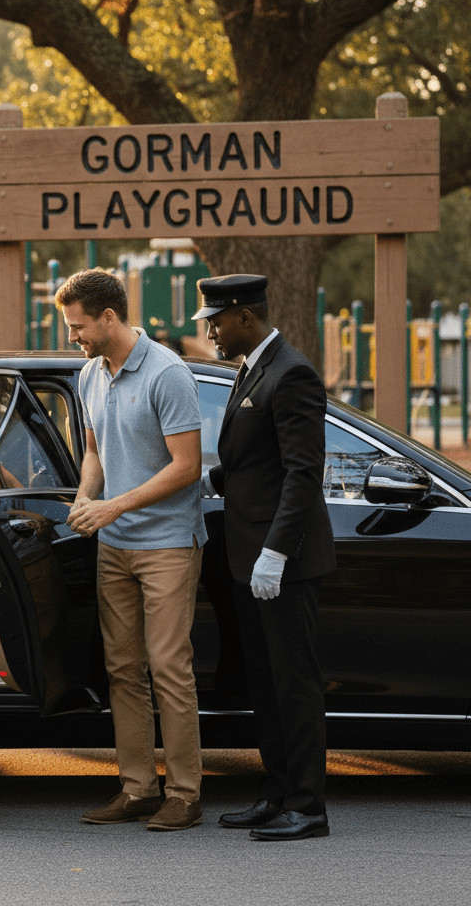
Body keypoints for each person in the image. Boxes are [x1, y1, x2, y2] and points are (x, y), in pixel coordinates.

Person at [57, 268, 207, 832]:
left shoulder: (167, 373)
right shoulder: (90, 374)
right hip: (113, 545)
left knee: (170, 667)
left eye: (79, 327)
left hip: (167, 542)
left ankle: (186, 794)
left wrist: (114, 507)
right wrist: (85, 499)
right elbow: (94, 449)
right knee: (122, 668)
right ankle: (139, 788)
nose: (74, 337)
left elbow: (187, 469)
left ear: (110, 317)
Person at [193, 274, 336, 841]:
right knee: (265, 684)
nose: (210, 332)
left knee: (294, 684)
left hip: (285, 563)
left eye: (215, 321)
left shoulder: (291, 373)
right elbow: (257, 463)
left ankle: (308, 806)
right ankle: (276, 794)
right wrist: (207, 478)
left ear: (244, 316)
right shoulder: (252, 367)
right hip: (247, 558)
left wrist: (276, 553)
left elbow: (303, 474)